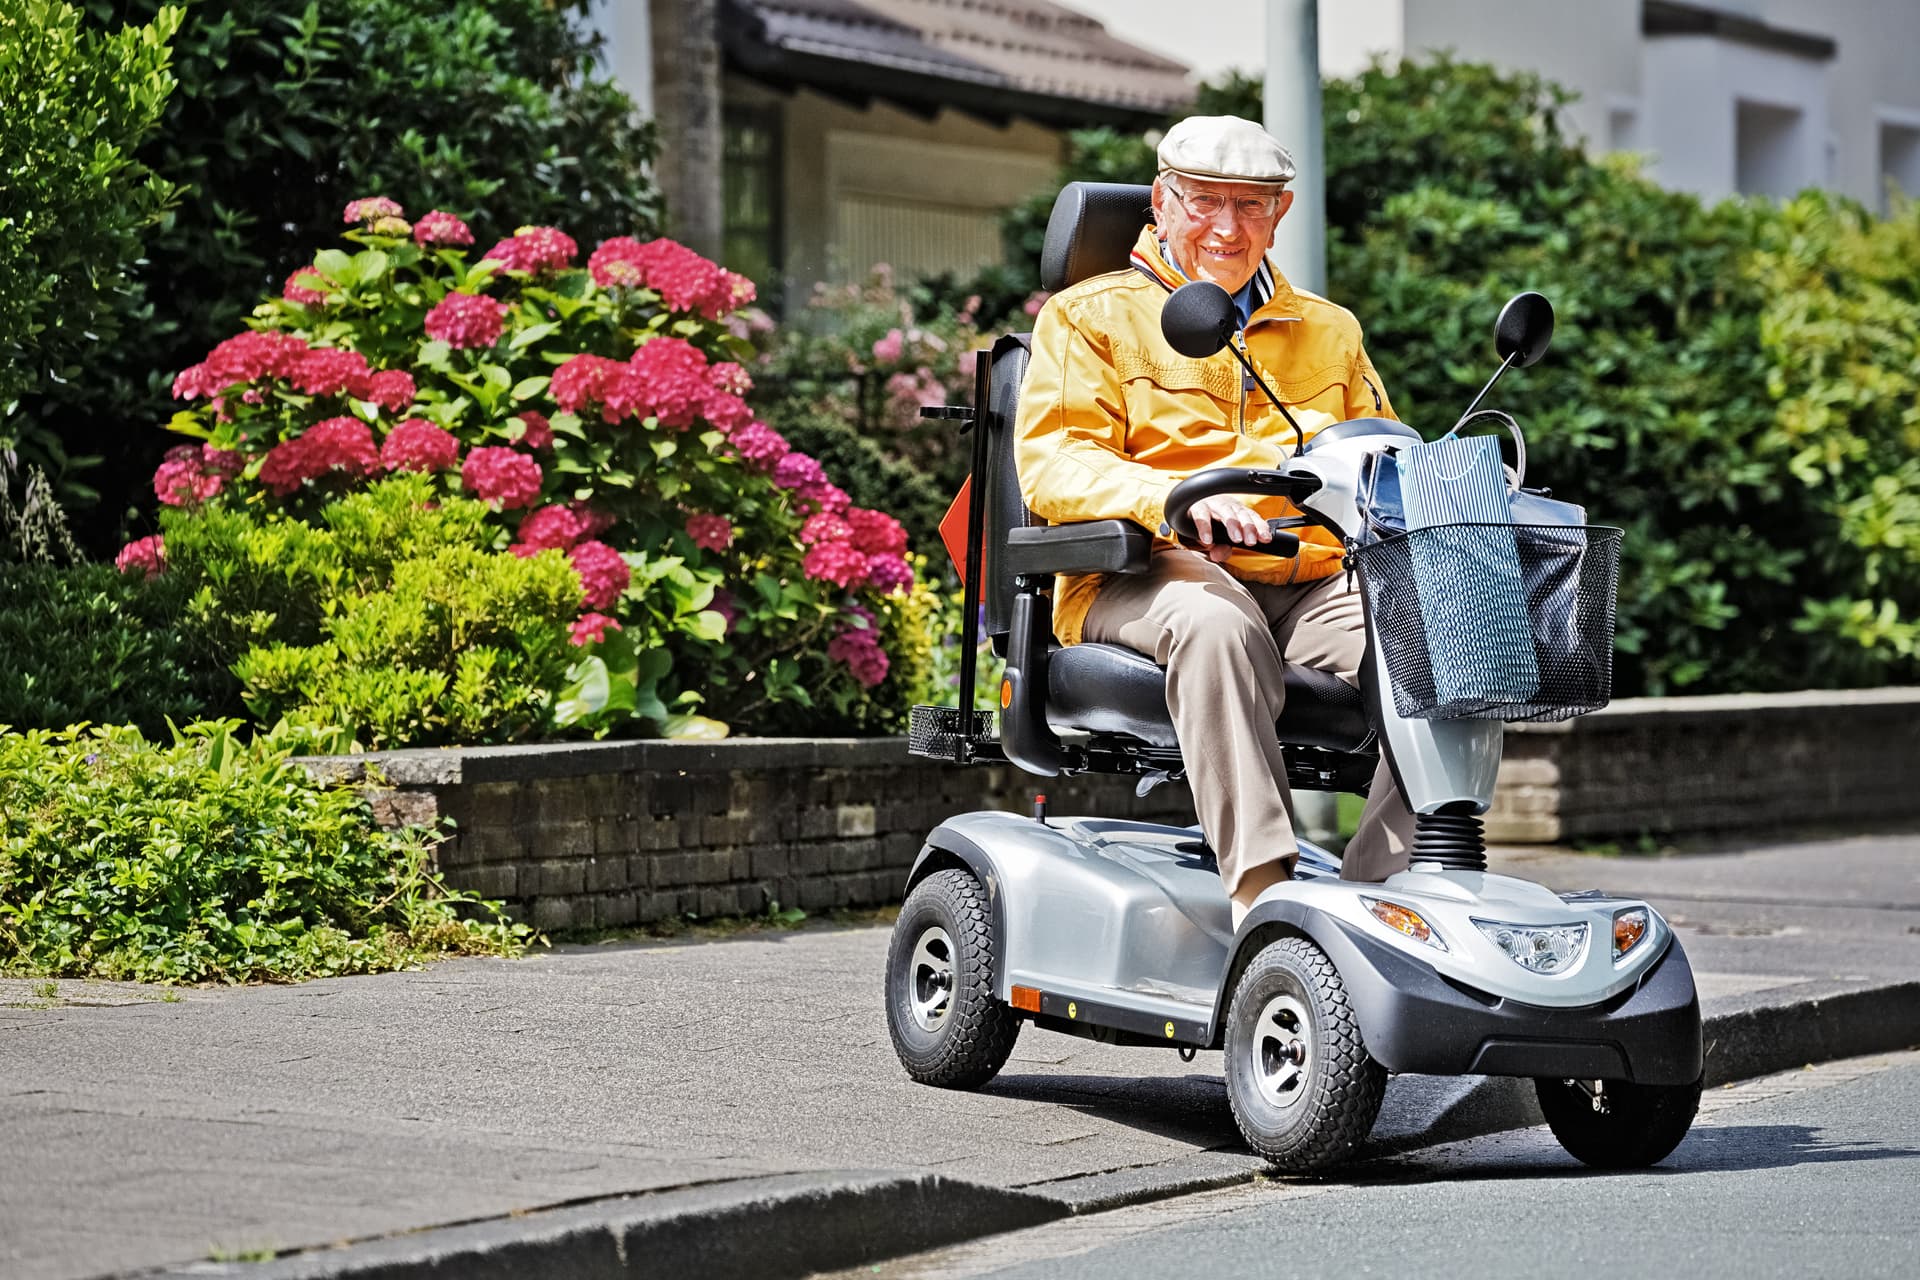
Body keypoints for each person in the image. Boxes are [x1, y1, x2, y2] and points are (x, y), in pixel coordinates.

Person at [1014, 114, 1417, 926]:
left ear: (1281, 212)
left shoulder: (1329, 331)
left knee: (1446, 640)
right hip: (1142, 573)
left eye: (1251, 206)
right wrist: (1171, 499)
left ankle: (1386, 905)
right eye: (1203, 202)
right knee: (1214, 624)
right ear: (1160, 203)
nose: (1227, 228)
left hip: (1302, 579)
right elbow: (1055, 463)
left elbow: (1384, 454)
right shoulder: (1089, 316)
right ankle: (1266, 901)